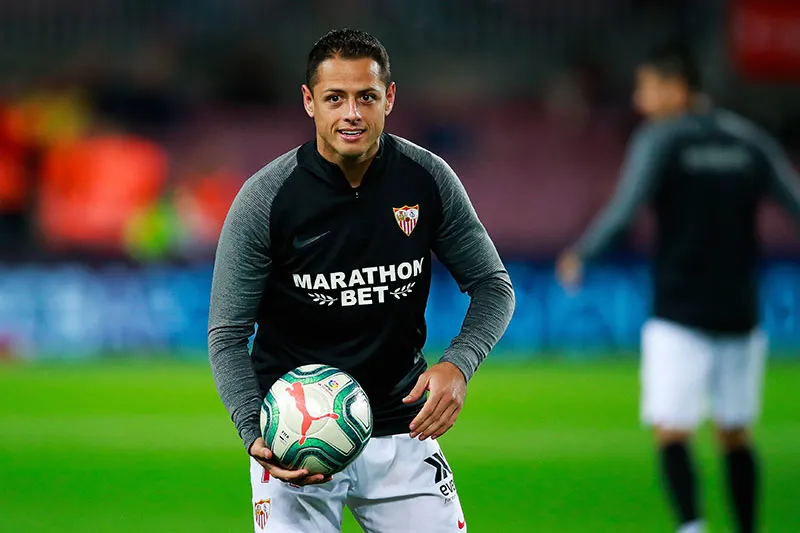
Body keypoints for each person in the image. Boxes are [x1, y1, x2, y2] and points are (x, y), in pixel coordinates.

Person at [208, 28, 515, 533]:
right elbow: (226, 334)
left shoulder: (427, 179)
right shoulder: (266, 198)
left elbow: (493, 287)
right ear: (309, 102)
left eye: (366, 97)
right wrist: (251, 428)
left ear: (388, 98)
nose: (351, 113)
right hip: (294, 445)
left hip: (404, 433)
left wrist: (458, 365)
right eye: (335, 98)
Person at [556, 43, 800, 533]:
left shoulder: (661, 139)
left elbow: (627, 206)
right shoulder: (747, 138)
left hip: (679, 311)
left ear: (675, 87)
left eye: (647, 88)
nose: (641, 101)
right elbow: (794, 202)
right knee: (736, 432)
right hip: (740, 310)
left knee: (672, 427)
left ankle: (692, 526)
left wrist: (583, 253)